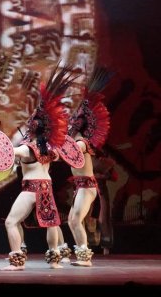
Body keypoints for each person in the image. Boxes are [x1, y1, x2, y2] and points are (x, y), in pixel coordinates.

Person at [0, 67, 74, 271]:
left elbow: (6, 152)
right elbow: (59, 155)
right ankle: (55, 259)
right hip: (46, 187)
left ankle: (16, 261)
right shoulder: (49, 147)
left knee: (11, 222)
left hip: (32, 189)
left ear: (32, 127)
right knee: (51, 223)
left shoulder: (26, 148)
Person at [66, 67, 112, 266]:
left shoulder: (82, 142)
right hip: (81, 186)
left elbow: (70, 153)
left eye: (74, 120)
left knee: (76, 220)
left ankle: (85, 257)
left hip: (87, 187)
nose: (70, 121)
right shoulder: (73, 140)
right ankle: (75, 253)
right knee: (70, 220)